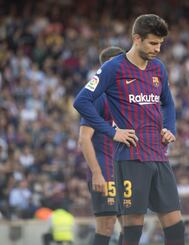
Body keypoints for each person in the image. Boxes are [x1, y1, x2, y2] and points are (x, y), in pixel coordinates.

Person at [73, 14, 184, 245]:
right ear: (137, 39)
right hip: (131, 158)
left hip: (159, 155)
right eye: (153, 43)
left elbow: (169, 103)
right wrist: (113, 132)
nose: (158, 49)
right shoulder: (113, 68)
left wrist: (169, 128)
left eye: (161, 43)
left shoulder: (158, 69)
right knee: (132, 223)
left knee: (175, 220)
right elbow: (81, 101)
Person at [78, 46, 124, 245]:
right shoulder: (97, 97)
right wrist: (96, 172)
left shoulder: (128, 98)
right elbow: (84, 138)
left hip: (127, 171)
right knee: (106, 225)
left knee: (133, 224)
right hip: (105, 172)